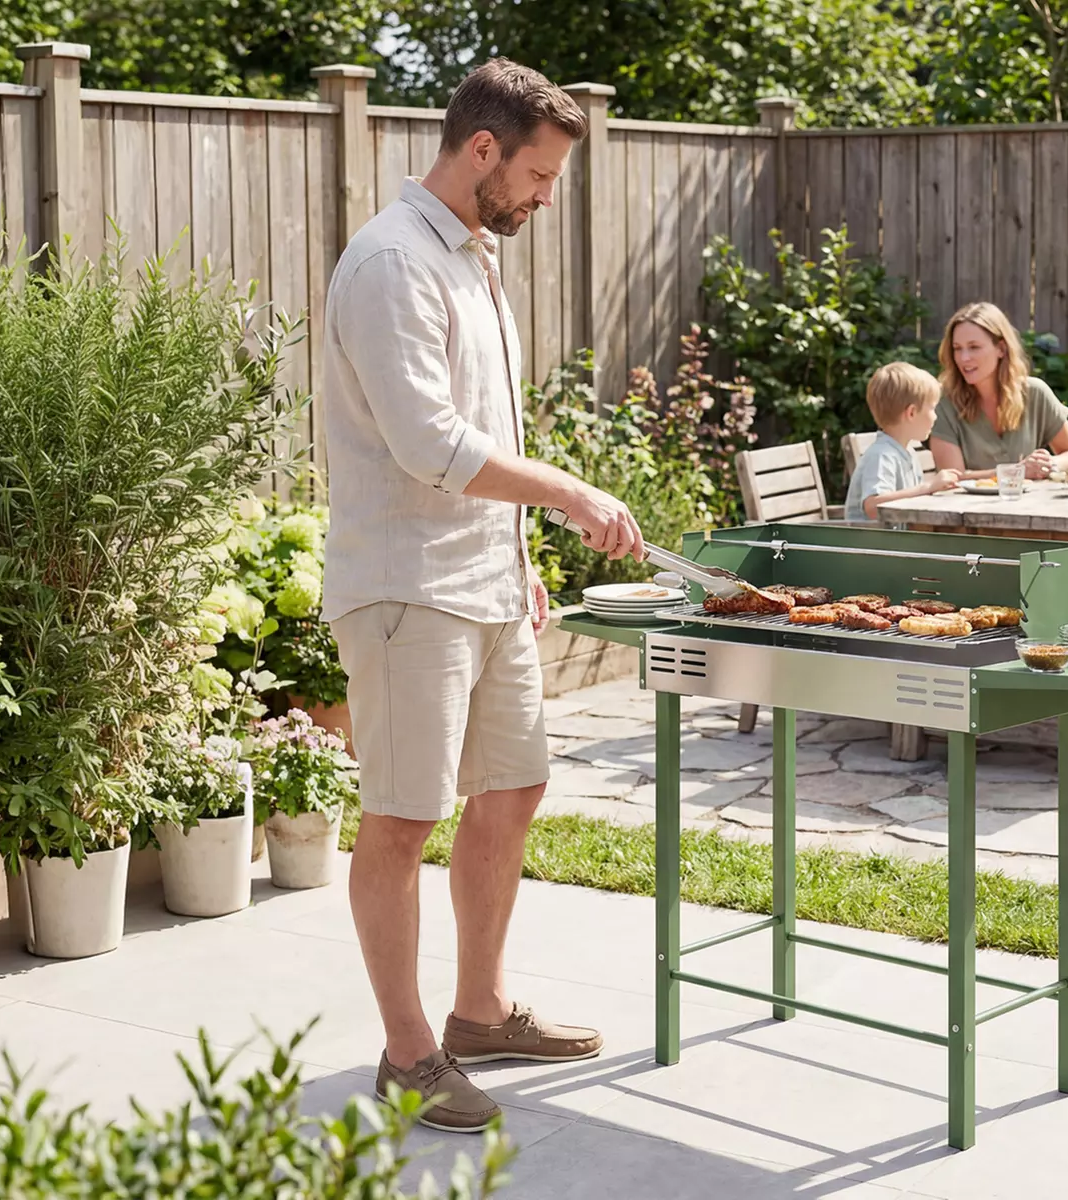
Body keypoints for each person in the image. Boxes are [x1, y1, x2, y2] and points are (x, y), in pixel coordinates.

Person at [320, 57, 645, 1134]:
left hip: (486, 583)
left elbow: (481, 437)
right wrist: (569, 493)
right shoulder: (391, 264)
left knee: (513, 788)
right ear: (481, 150)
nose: (546, 198)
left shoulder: (471, 258)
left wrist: (521, 551)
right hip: (407, 589)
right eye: (539, 176)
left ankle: (480, 1012)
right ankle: (407, 1052)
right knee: (401, 819)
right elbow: (429, 445)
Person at [928, 302, 1068, 481]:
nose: (964, 358)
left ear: (1001, 349)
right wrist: (1018, 471)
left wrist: (1049, 464)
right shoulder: (943, 402)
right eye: (957, 348)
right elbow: (952, 478)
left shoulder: (1034, 393)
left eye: (974, 347)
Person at [846, 362, 964, 522]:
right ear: (912, 413)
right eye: (932, 408)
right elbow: (873, 506)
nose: (936, 416)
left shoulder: (906, 451)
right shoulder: (882, 455)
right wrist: (928, 487)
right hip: (869, 538)